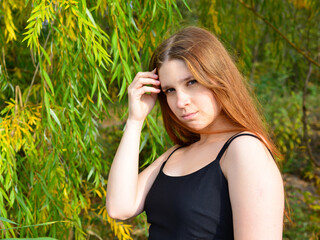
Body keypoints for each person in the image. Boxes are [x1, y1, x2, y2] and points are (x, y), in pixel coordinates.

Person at [106, 26, 284, 239]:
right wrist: (135, 120)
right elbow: (119, 207)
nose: (181, 102)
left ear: (218, 78)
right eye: (170, 90)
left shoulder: (244, 149)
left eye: (191, 82)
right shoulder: (176, 154)